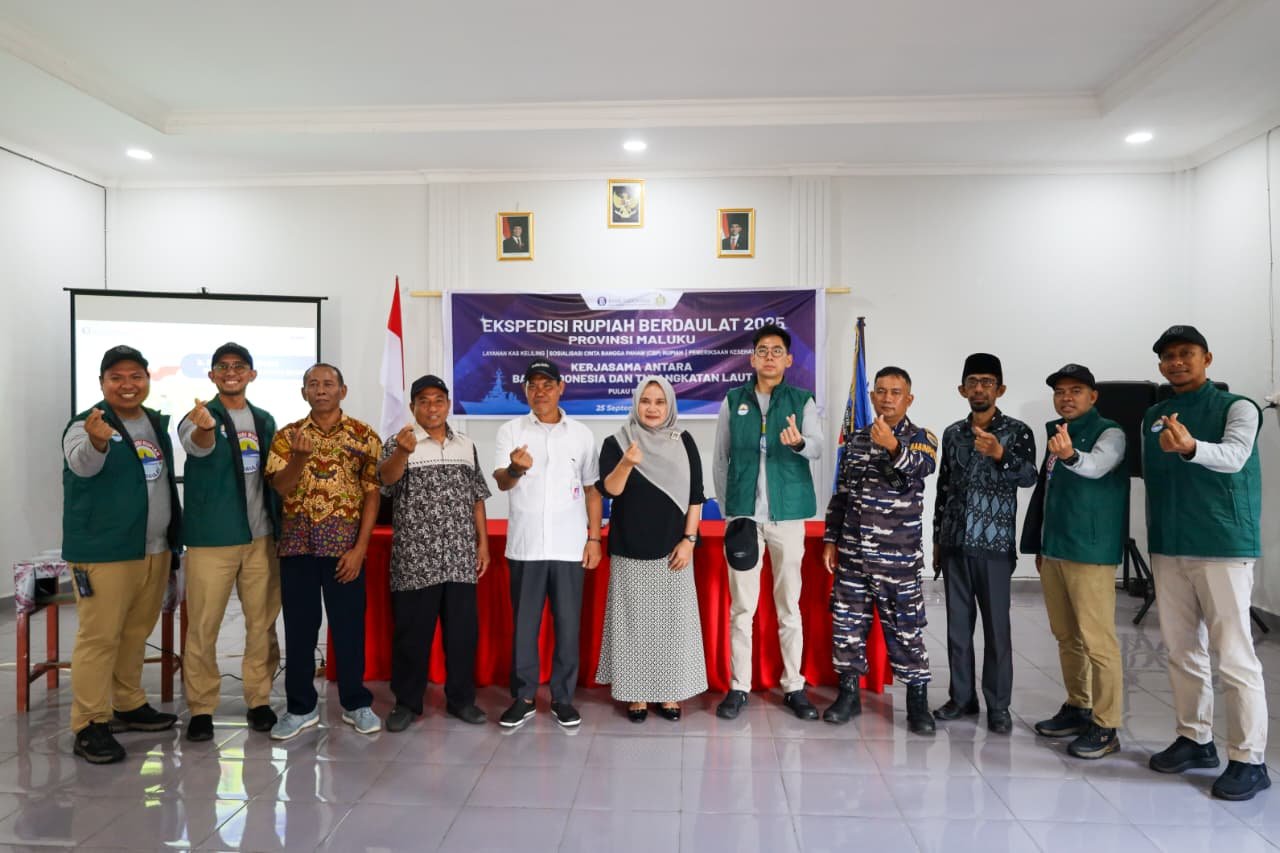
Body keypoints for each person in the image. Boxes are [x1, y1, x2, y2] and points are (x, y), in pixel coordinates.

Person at [1141, 325, 1269, 801]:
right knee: (1181, 650)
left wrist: (1191, 447)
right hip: (1169, 543)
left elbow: (1235, 456)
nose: (1176, 362)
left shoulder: (1239, 407)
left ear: (1207, 358)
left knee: (1234, 656)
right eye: (1168, 357)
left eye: (1186, 353)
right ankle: (1195, 738)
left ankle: (1250, 759)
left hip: (1222, 544)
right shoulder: (1152, 415)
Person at [63, 345, 181, 763]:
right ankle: (89, 723)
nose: (127, 385)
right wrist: (97, 442)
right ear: (102, 383)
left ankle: (128, 703)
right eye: (116, 377)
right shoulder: (85, 424)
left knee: (134, 632)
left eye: (135, 376)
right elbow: (81, 465)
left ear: (147, 380)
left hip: (154, 548)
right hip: (106, 553)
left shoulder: (153, 423)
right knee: (99, 637)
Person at [264, 363, 382, 740]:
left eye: (328, 384)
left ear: (342, 391)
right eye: (313, 384)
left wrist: (361, 548)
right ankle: (300, 708)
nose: (320, 390)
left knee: (348, 628)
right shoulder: (287, 437)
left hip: (345, 549)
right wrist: (299, 458)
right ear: (303, 393)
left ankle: (356, 703)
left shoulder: (364, 435)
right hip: (298, 546)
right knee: (300, 630)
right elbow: (280, 488)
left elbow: (372, 494)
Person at [712, 323, 823, 721]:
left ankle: (794, 685)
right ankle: (738, 686)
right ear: (753, 358)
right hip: (744, 518)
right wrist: (730, 512)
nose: (770, 357)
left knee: (788, 606)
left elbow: (817, 448)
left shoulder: (802, 400)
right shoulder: (734, 400)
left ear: (788, 360)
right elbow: (720, 458)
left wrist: (799, 443)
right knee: (742, 609)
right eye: (763, 350)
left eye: (777, 351)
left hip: (787, 519)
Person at [822, 366, 938, 735]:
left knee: (906, 630)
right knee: (848, 625)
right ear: (872, 397)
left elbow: (922, 467)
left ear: (909, 399)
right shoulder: (856, 440)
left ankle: (917, 703)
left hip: (897, 557)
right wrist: (831, 539)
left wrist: (892, 445)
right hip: (854, 554)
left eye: (895, 392)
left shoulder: (921, 438)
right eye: (881, 392)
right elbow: (842, 493)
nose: (887, 399)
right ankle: (848, 695)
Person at [1019, 364, 1127, 759]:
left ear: (1093, 396)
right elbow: (1048, 495)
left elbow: (1096, 466)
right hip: (1056, 550)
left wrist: (1070, 455)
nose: (1066, 397)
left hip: (1090, 552)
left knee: (1098, 642)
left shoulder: (1110, 433)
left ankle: (1107, 725)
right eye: (1060, 391)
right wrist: (1041, 546)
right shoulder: (1057, 432)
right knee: (1066, 636)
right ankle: (1079, 706)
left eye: (1076, 390)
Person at [179, 342, 282, 742]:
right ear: (212, 376)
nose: (231, 371)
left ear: (252, 374)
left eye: (239, 366)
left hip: (261, 538)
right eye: (222, 366)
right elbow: (197, 444)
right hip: (212, 539)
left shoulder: (265, 420)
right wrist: (206, 428)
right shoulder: (197, 417)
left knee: (262, 624)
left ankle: (259, 699)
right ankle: (201, 708)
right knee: (203, 626)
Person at [492, 358, 603, 728]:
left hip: (570, 547)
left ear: (561, 388)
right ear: (525, 390)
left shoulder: (581, 434)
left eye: (547, 384)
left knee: (568, 627)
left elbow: (592, 490)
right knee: (525, 628)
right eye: (533, 385)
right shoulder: (510, 431)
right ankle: (523, 697)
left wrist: (594, 538)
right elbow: (502, 482)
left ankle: (563, 698)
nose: (540, 391)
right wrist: (516, 468)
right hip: (526, 547)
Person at [379, 375, 492, 732]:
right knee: (411, 638)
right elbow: (386, 482)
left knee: (461, 636)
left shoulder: (465, 445)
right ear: (413, 407)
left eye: (438, 400)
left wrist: (483, 543)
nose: (432, 407)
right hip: (416, 559)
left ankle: (461, 701)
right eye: (424, 401)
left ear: (448, 404)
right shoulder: (398, 442)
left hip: (459, 557)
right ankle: (407, 703)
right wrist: (402, 452)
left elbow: (477, 496)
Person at [932, 353, 1036, 734]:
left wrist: (1000, 454)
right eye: (972, 382)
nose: (979, 388)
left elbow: (1029, 476)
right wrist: (937, 540)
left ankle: (998, 705)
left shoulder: (1018, 431)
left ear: (1000, 389)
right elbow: (943, 487)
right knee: (958, 630)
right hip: (955, 544)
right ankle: (962, 698)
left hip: (994, 546)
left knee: (997, 631)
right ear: (962, 390)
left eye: (987, 382)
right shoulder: (952, 434)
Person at [596, 376, 707, 722]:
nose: (653, 408)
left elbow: (696, 496)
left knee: (672, 626)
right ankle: (637, 694)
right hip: (630, 547)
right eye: (646, 401)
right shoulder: (617, 442)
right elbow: (610, 490)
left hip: (674, 549)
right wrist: (627, 463)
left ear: (670, 405)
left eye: (660, 402)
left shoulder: (683, 440)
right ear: (635, 404)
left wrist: (689, 541)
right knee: (634, 627)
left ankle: (670, 692)